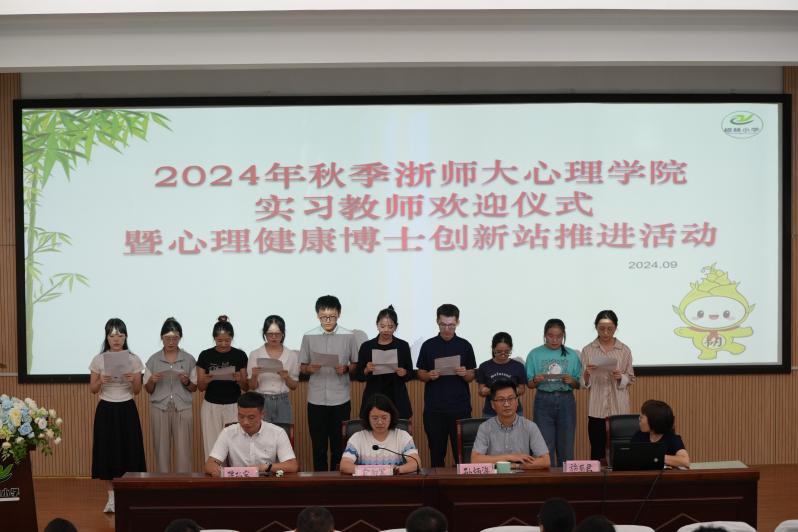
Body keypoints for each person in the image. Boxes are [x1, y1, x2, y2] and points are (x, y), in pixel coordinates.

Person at [89, 318, 146, 513]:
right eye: (112, 335)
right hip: (106, 408)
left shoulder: (133, 359)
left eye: (120, 335)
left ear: (126, 337)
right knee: (107, 452)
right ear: (106, 337)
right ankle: (111, 497)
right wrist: (101, 381)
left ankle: (129, 495)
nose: (116, 339)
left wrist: (132, 380)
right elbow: (92, 389)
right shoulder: (99, 359)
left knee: (130, 450)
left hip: (127, 408)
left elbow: (137, 390)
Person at [298, 295, 360, 471]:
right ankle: (319, 482)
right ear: (317, 315)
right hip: (316, 400)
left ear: (339, 314)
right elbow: (302, 366)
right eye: (323, 317)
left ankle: (337, 482)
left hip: (340, 399)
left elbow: (356, 364)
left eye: (332, 316)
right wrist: (309, 368)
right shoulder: (308, 336)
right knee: (318, 447)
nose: (327, 320)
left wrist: (346, 368)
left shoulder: (348, 336)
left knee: (339, 447)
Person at [416, 303, 477, 467]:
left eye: (451, 325)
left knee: (462, 457)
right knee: (436, 456)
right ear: (437, 321)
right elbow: (420, 373)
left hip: (460, 408)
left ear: (458, 322)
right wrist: (428, 375)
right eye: (443, 324)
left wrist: (465, 373)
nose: (447, 329)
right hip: (434, 409)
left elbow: (471, 375)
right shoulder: (428, 345)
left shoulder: (465, 345)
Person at [579, 310, 635, 461]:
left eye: (609, 329)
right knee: (597, 453)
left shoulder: (624, 350)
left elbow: (631, 378)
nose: (605, 332)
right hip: (596, 410)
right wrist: (587, 374)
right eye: (601, 328)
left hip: (619, 409)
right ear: (596, 327)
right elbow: (583, 383)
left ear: (616, 328)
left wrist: (620, 377)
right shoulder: (588, 350)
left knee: (620, 453)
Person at [526, 318, 582, 468]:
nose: (555, 340)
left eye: (559, 336)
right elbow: (529, 384)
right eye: (551, 336)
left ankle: (566, 480)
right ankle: (548, 479)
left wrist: (572, 381)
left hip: (566, 400)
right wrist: (535, 380)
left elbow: (578, 384)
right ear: (545, 335)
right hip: (543, 400)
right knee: (544, 446)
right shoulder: (535, 354)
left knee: (566, 445)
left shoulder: (572, 354)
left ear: (564, 335)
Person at [144, 317, 197, 473]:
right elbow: (148, 389)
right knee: (161, 451)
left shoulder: (189, 359)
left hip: (183, 408)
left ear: (180, 338)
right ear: (162, 338)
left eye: (175, 338)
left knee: (184, 451)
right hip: (160, 408)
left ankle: (183, 483)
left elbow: (194, 387)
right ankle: (163, 483)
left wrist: (186, 381)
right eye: (168, 338)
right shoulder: (153, 360)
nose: (171, 342)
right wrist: (152, 381)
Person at [205, 391, 298, 476]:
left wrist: (266, 467)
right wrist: (217, 471)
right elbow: (210, 464)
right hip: (238, 482)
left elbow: (292, 465)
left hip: (267, 482)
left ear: (262, 414)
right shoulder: (228, 432)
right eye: (241, 416)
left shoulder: (277, 432)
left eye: (251, 417)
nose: (245, 422)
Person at [196, 315, 249, 459]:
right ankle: (213, 472)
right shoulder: (205, 355)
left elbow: (246, 387)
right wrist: (206, 380)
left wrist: (239, 379)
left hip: (234, 405)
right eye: (220, 341)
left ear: (232, 338)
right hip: (211, 406)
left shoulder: (239, 355)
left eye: (227, 340)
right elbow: (200, 387)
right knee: (212, 446)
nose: (224, 344)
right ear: (214, 338)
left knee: (235, 447)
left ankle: (233, 472)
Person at [470, 379, 549, 469]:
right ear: (492, 404)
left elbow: (545, 460)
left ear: (517, 401)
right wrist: (509, 457)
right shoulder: (485, 427)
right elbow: (475, 459)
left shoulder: (530, 426)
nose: (506, 404)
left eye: (510, 399)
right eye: (501, 400)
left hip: (521, 475)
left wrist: (516, 466)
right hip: (495, 476)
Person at [355, 305, 414, 421]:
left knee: (399, 430)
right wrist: (366, 370)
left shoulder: (403, 346)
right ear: (377, 325)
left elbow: (410, 373)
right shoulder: (367, 346)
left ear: (396, 327)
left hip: (397, 398)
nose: (386, 330)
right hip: (373, 397)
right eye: (382, 326)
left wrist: (404, 373)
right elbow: (359, 376)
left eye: (390, 327)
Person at [340, 393, 420, 474]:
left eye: (384, 418)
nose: (380, 422)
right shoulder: (357, 437)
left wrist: (394, 471)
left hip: (395, 481)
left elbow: (416, 463)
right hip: (366, 481)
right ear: (368, 418)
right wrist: (375, 472)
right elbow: (344, 465)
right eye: (375, 418)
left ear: (391, 417)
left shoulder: (402, 436)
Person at [247, 315, 299, 424]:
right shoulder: (255, 354)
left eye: (278, 334)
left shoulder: (291, 355)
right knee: (262, 433)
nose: (274, 337)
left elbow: (294, 386)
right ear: (264, 333)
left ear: (283, 333)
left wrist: (286, 377)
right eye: (270, 334)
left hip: (283, 401)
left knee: (284, 433)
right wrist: (254, 375)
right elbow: (252, 386)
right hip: (261, 400)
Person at [476, 332, 527, 417]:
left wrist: (507, 391)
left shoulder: (518, 366)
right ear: (493, 349)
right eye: (499, 352)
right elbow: (481, 391)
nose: (503, 355)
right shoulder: (484, 366)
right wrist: (493, 391)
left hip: (514, 412)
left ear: (511, 349)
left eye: (507, 352)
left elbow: (522, 389)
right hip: (491, 413)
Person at [631, 399, 690, 468]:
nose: (639, 419)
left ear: (654, 420)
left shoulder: (672, 438)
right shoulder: (639, 435)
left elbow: (685, 461)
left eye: (642, 417)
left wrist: (656, 456)